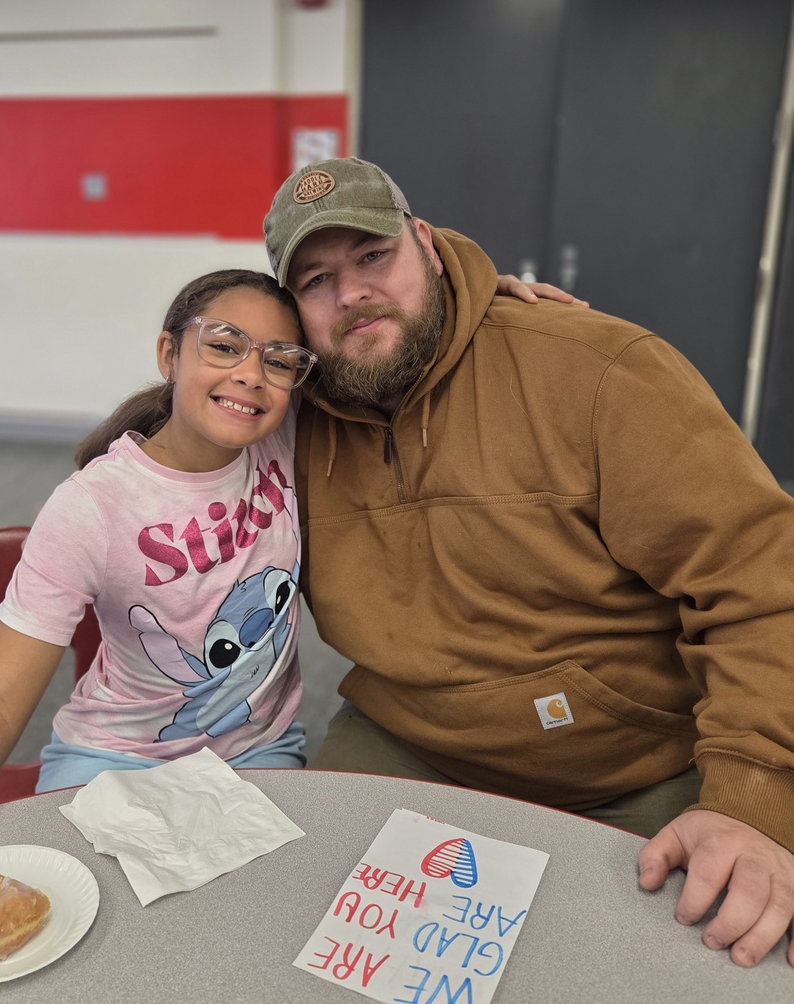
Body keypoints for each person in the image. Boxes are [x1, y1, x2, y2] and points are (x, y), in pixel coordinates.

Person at [0, 263, 565, 1004]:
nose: (250, 375)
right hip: (115, 760)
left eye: (280, 361)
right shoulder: (93, 507)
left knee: (250, 948)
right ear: (170, 351)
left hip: (257, 756)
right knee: (99, 958)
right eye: (223, 345)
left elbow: (388, 343)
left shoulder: (289, 441)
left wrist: (477, 295)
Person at [262, 157, 794, 969]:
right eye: (317, 279)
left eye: (375, 257)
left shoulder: (598, 370)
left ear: (430, 249)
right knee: (286, 928)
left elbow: (763, 584)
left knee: (682, 966)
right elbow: (173, 440)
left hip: (632, 762)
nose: (352, 293)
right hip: (410, 740)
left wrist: (755, 803)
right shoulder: (285, 422)